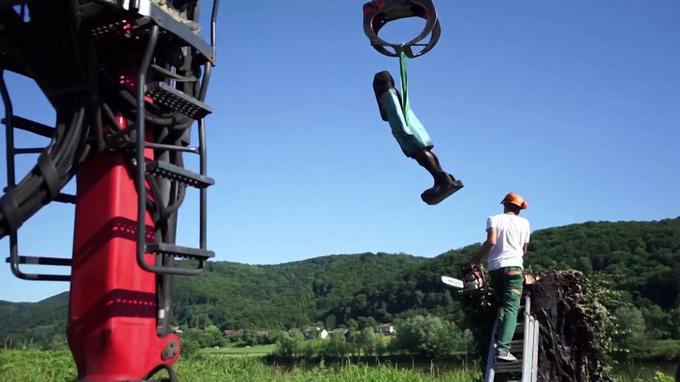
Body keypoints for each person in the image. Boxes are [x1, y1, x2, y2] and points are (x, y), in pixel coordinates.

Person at [372, 71, 463, 205]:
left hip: (406, 131)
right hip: (412, 130)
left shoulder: (388, 94)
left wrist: (404, 131)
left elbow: (396, 113)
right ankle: (442, 178)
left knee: (421, 155)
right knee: (423, 155)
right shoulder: (395, 93)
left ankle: (442, 179)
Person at [468, 192, 531, 362]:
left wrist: (474, 260)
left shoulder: (493, 219)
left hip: (495, 269)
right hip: (514, 269)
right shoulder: (525, 223)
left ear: (505, 204)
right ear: (519, 208)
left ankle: (499, 340)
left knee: (502, 305)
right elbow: (524, 250)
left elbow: (491, 241)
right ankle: (503, 349)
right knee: (511, 308)